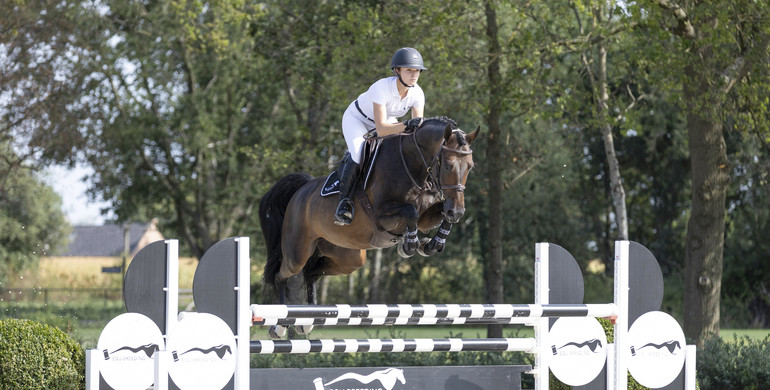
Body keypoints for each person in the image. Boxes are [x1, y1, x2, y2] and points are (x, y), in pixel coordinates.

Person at [334, 47, 428, 226]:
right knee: (359, 152)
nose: (414, 75)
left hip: (387, 121)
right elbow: (382, 129)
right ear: (397, 70)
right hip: (358, 119)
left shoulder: (418, 93)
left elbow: (416, 131)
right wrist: (407, 124)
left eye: (417, 71)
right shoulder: (381, 87)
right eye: (409, 70)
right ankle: (344, 203)